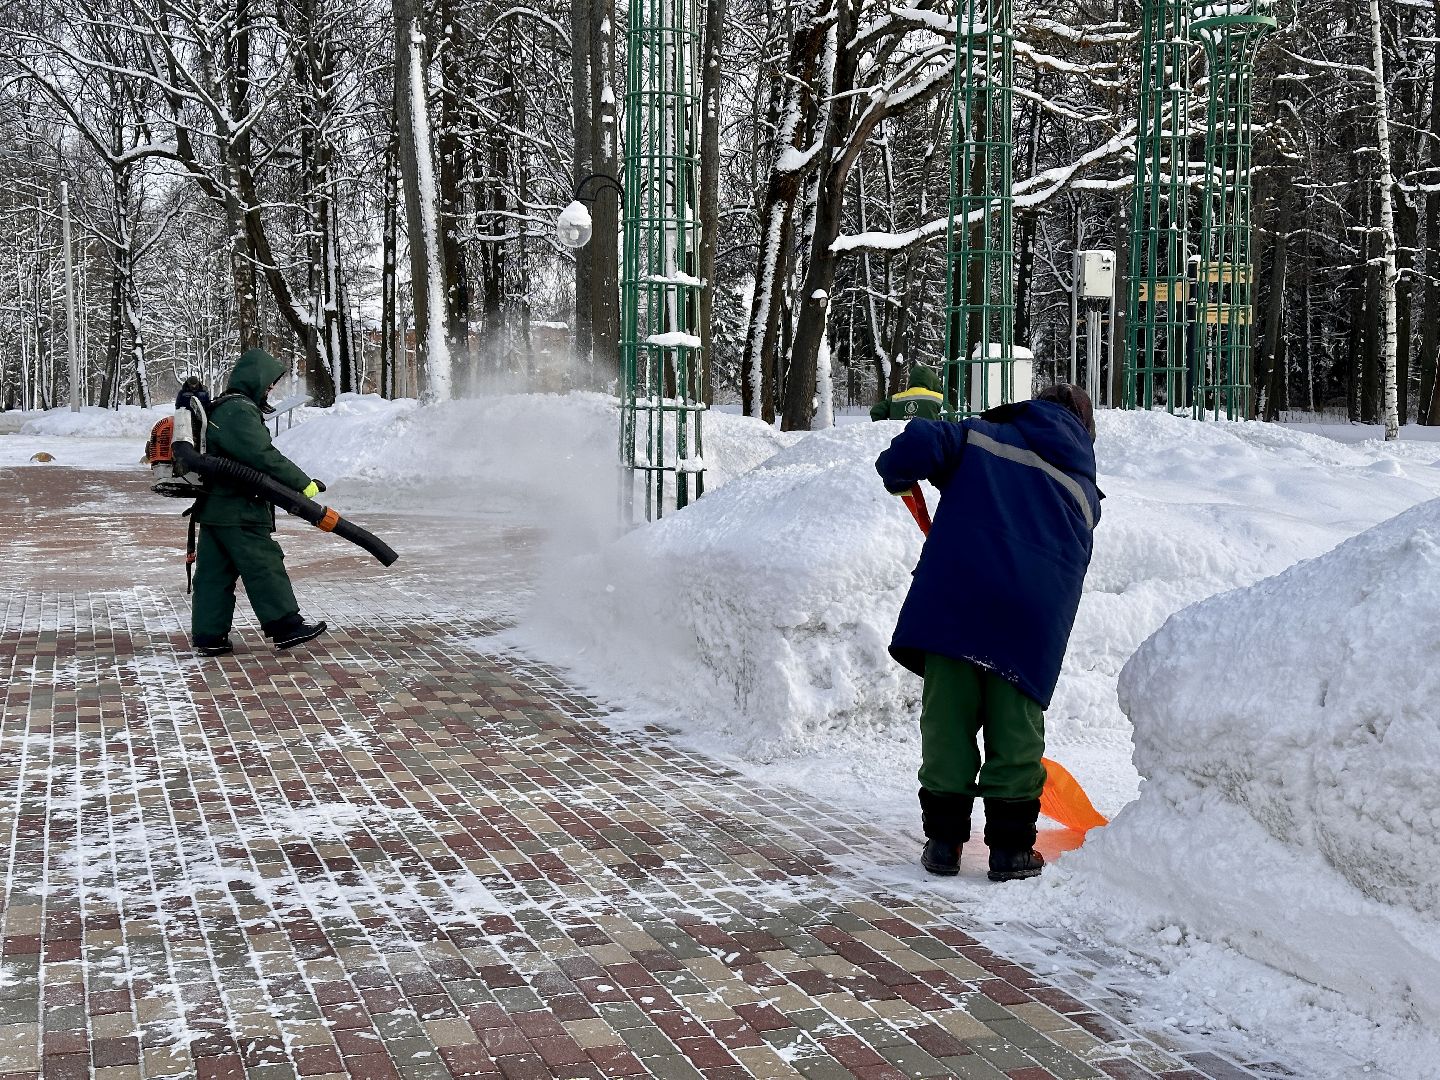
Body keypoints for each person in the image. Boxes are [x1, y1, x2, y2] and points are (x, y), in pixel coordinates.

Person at [874, 383, 1101, 882]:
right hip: (1029, 619)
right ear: (1084, 429)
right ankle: (1011, 853)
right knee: (1015, 733)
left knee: (948, 725)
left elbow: (915, 445)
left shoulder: (979, 437)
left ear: (1031, 407)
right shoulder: (1085, 491)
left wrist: (897, 474)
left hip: (957, 599)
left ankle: (943, 846)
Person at [191, 348, 328, 657]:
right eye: (267, 384)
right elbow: (262, 456)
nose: (269, 390)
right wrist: (302, 484)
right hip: (240, 509)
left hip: (215, 508)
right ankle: (286, 627)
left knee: (214, 575)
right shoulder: (238, 411)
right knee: (264, 565)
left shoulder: (222, 407)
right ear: (254, 381)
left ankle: (209, 635)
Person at [869, 364, 944, 422]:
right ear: (932, 382)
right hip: (930, 440)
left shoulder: (895, 399)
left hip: (900, 440)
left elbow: (876, 411)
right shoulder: (939, 399)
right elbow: (951, 419)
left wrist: (888, 429)